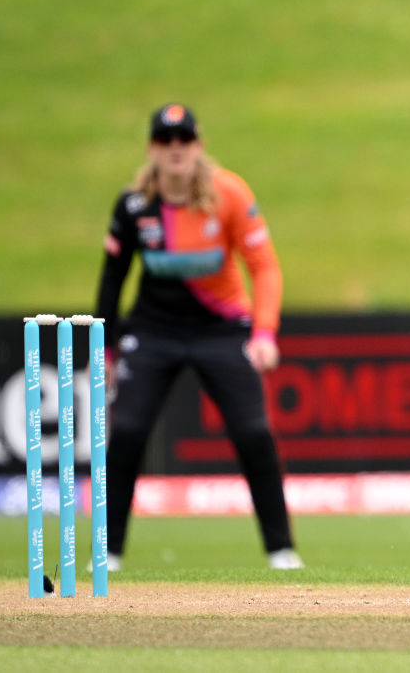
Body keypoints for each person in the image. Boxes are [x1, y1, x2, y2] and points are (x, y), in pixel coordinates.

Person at [93, 103, 303, 570]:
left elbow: (264, 266)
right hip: (152, 330)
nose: (175, 150)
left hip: (221, 329)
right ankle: (108, 553)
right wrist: (104, 349)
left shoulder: (228, 194)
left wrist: (265, 331)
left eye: (183, 139)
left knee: (253, 432)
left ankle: (281, 550)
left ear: (198, 145)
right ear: (152, 149)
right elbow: (112, 281)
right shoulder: (133, 207)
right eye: (165, 141)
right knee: (126, 432)